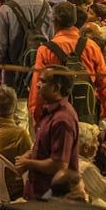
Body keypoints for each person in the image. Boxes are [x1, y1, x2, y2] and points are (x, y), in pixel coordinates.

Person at [18, 69, 80, 200]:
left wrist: (28, 163)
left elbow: (59, 165)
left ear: (56, 88)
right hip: (38, 192)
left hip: (51, 197)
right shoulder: (50, 112)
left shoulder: (62, 120)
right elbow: (44, 147)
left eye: (43, 81)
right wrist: (29, 155)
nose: (37, 84)